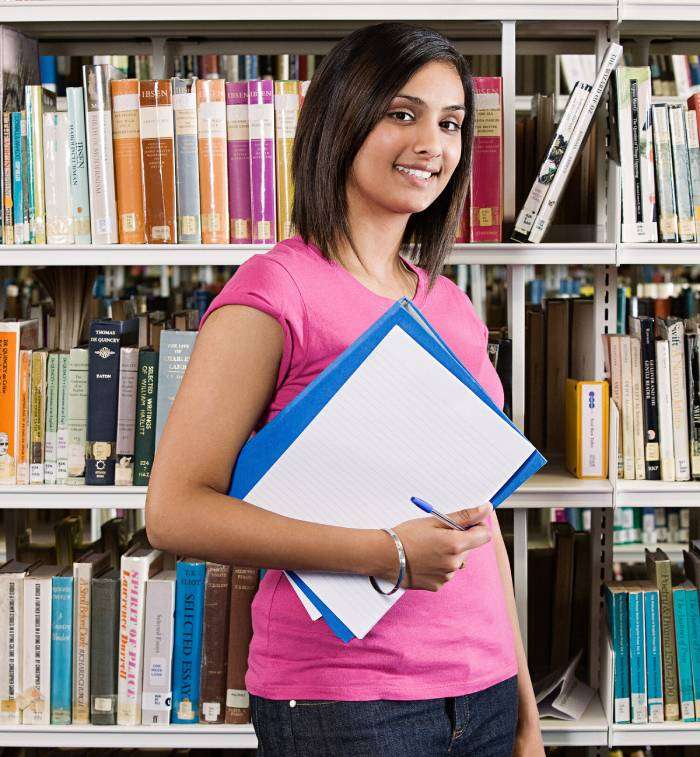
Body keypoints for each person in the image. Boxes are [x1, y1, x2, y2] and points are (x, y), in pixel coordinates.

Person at [146, 21, 544, 757]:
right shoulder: (275, 290)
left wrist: (523, 704)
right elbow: (173, 512)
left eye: (451, 122)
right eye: (403, 113)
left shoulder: (450, 308)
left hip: (482, 692)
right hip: (344, 703)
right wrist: (384, 553)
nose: (433, 143)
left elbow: (477, 522)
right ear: (343, 119)